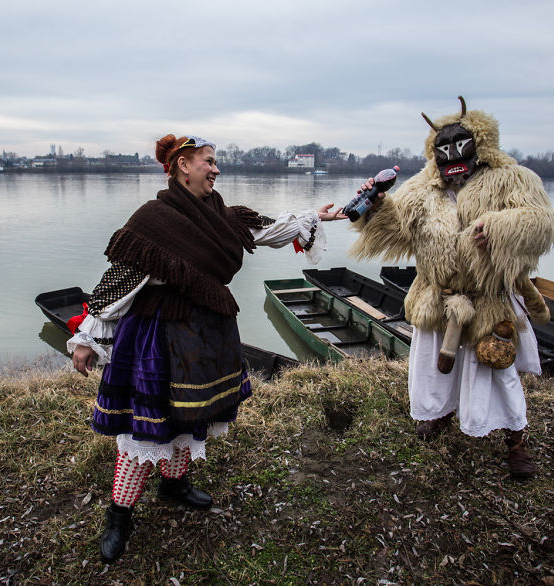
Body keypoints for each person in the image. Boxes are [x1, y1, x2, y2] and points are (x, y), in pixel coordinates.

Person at [67, 133, 345, 563]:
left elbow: (267, 230)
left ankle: (174, 484)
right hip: (158, 332)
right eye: (208, 162)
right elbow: (120, 280)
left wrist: (314, 217)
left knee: (191, 414)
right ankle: (119, 515)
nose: (215, 169)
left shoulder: (220, 213)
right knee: (146, 425)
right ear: (183, 165)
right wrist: (87, 337)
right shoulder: (153, 219)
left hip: (207, 331)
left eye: (215, 163)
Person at [349, 97, 554, 479]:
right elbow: (397, 233)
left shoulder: (512, 178)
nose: (451, 156)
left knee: (498, 369)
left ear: (479, 143)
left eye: (459, 146)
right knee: (434, 369)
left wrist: (498, 228)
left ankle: (516, 440)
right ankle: (439, 416)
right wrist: (376, 207)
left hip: (489, 300)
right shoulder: (421, 189)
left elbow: (541, 222)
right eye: (442, 149)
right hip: (438, 297)